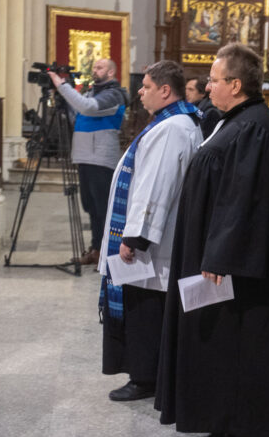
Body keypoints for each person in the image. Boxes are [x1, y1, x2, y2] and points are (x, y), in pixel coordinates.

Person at [156, 43, 269, 437]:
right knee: (216, 343)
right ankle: (217, 423)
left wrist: (220, 254)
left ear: (235, 84)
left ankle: (239, 435)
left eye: (214, 80)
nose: (207, 86)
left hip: (235, 264)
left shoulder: (254, 127)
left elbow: (244, 199)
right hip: (214, 251)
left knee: (237, 346)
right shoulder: (234, 120)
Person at [98, 61, 201, 402]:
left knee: (145, 310)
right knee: (147, 307)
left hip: (152, 244)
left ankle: (145, 378)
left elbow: (155, 185)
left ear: (165, 90)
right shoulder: (175, 122)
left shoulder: (172, 128)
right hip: (155, 238)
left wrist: (135, 237)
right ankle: (148, 374)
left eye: (146, 86)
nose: (140, 92)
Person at [52, 58, 128, 265]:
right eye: (94, 67)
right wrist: (63, 100)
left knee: (103, 208)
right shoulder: (90, 93)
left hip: (101, 158)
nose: (95, 70)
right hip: (85, 156)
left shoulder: (114, 94)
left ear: (111, 72)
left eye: (100, 67)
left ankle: (109, 253)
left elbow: (88, 108)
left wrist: (62, 86)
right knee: (91, 207)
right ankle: (96, 250)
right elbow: (77, 116)